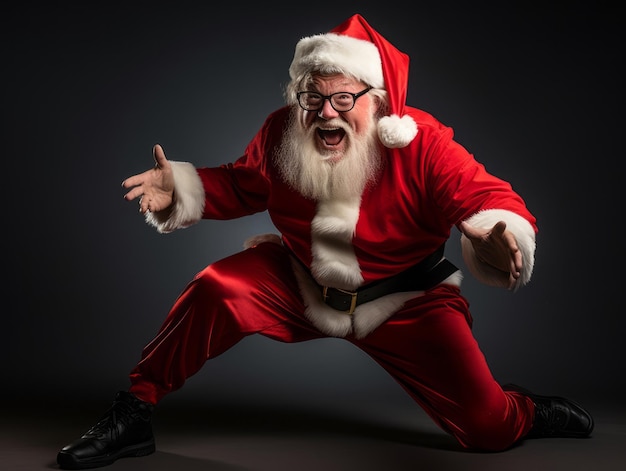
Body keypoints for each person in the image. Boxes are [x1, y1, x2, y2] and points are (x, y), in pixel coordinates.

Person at [56, 14, 594, 470]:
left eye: (342, 97)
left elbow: (487, 199)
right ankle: (134, 411)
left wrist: (496, 239)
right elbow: (242, 184)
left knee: (487, 433)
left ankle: (520, 408)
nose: (326, 113)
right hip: (301, 282)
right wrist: (181, 186)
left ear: (377, 100)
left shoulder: (421, 142)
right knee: (217, 286)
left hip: (404, 302)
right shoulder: (282, 132)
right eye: (313, 97)